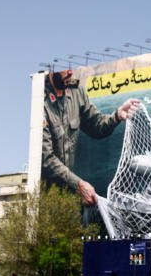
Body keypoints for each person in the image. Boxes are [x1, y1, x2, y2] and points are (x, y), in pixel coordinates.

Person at [42, 69, 141, 205]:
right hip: (46, 198)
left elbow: (96, 126)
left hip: (69, 195)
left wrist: (117, 116)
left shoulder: (77, 92)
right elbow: (46, 159)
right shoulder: (40, 102)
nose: (71, 73)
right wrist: (79, 185)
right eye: (66, 69)